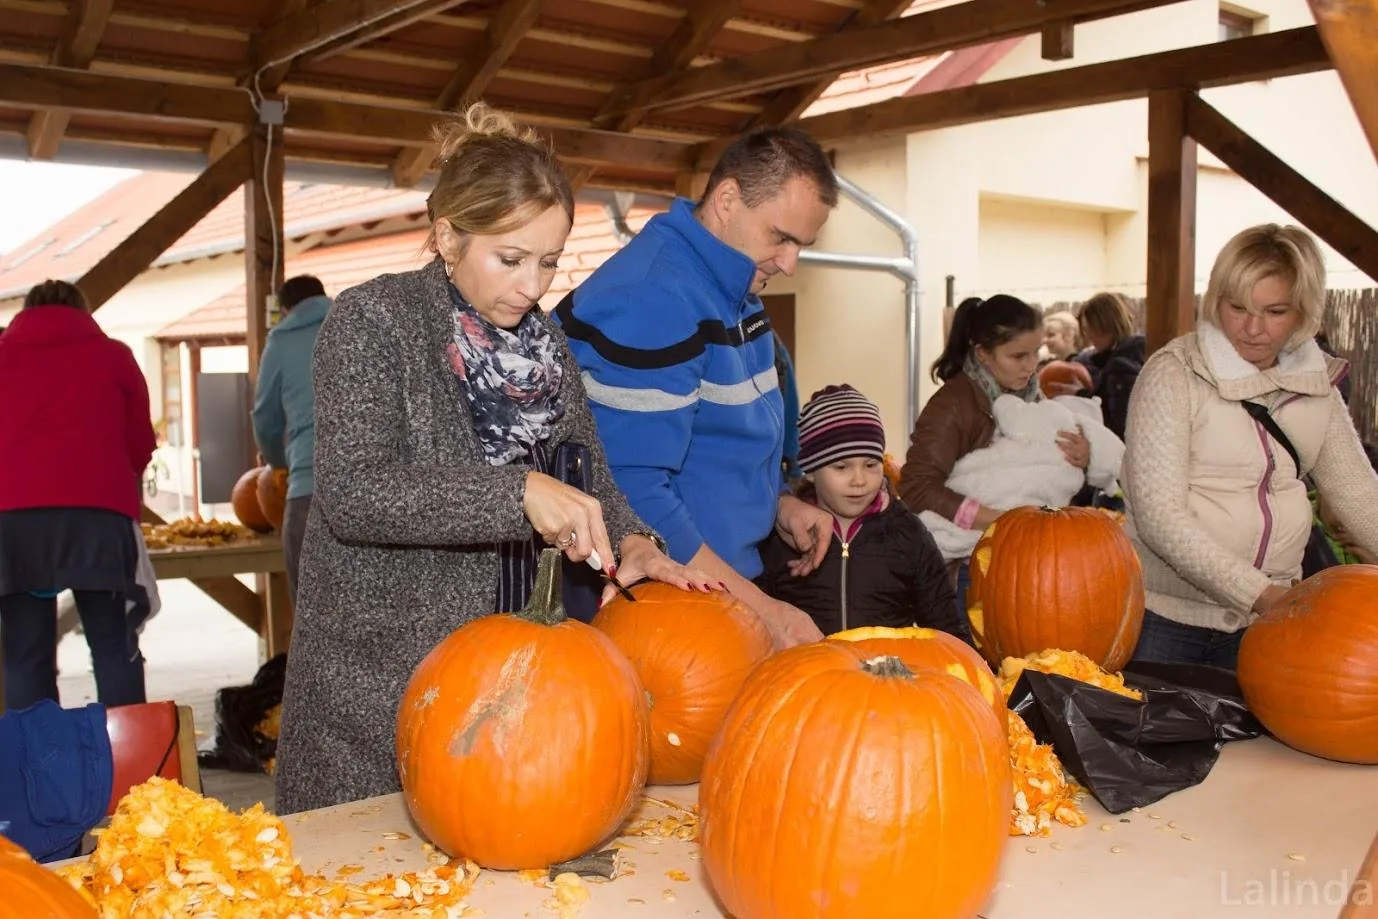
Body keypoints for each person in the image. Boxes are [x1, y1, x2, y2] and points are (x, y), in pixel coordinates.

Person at [274, 104, 713, 814]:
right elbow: (354, 494)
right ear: (448, 235)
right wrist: (516, 493)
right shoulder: (372, 322)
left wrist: (633, 537)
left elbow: (588, 468)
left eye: (549, 261)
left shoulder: (545, 344)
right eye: (509, 259)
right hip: (379, 682)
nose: (534, 286)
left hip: (508, 686)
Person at [554, 127, 838, 650]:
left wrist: (778, 506)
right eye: (781, 237)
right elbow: (633, 494)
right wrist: (764, 613)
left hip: (718, 588)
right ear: (727, 200)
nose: (790, 262)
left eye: (803, 244)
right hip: (668, 611)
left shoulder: (734, 285)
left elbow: (722, 443)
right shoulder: (654, 299)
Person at [1122, 224, 1378, 669]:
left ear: (1303, 312)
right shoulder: (1175, 374)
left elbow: (1359, 495)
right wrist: (1260, 594)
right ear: (1215, 299)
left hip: (1267, 624)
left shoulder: (1316, 387)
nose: (1252, 329)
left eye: (1275, 311)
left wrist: (1269, 602)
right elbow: (1159, 517)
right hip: (1167, 620)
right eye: (1237, 307)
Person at [0, 280, 156, 711]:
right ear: (83, 313)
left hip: (12, 522)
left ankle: (36, 772)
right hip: (99, 518)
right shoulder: (114, 356)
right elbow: (140, 443)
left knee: (25, 652)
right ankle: (130, 770)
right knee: (112, 646)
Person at [898, 295, 1092, 619]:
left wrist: (1081, 453)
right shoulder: (951, 406)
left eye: (1035, 353)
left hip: (1020, 558)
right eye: (1018, 356)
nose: (1031, 366)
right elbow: (916, 486)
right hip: (963, 570)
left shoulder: (1029, 395)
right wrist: (999, 519)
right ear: (983, 354)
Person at [759, 385, 971, 643]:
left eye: (871, 465)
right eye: (841, 466)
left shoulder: (907, 532)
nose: (859, 480)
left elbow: (944, 622)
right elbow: (757, 617)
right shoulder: (783, 533)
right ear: (811, 470)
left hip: (888, 677)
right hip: (806, 674)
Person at [251, 274, 332, 601]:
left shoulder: (281, 342)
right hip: (367, 488)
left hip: (306, 489)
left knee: (310, 617)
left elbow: (265, 418)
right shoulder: (354, 325)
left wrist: (278, 463)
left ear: (285, 310)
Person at [1074, 292, 1145, 441]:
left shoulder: (1120, 367)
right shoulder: (1135, 354)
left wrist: (1082, 396)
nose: (1089, 337)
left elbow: (1119, 425)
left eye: (1090, 330)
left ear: (1105, 326)